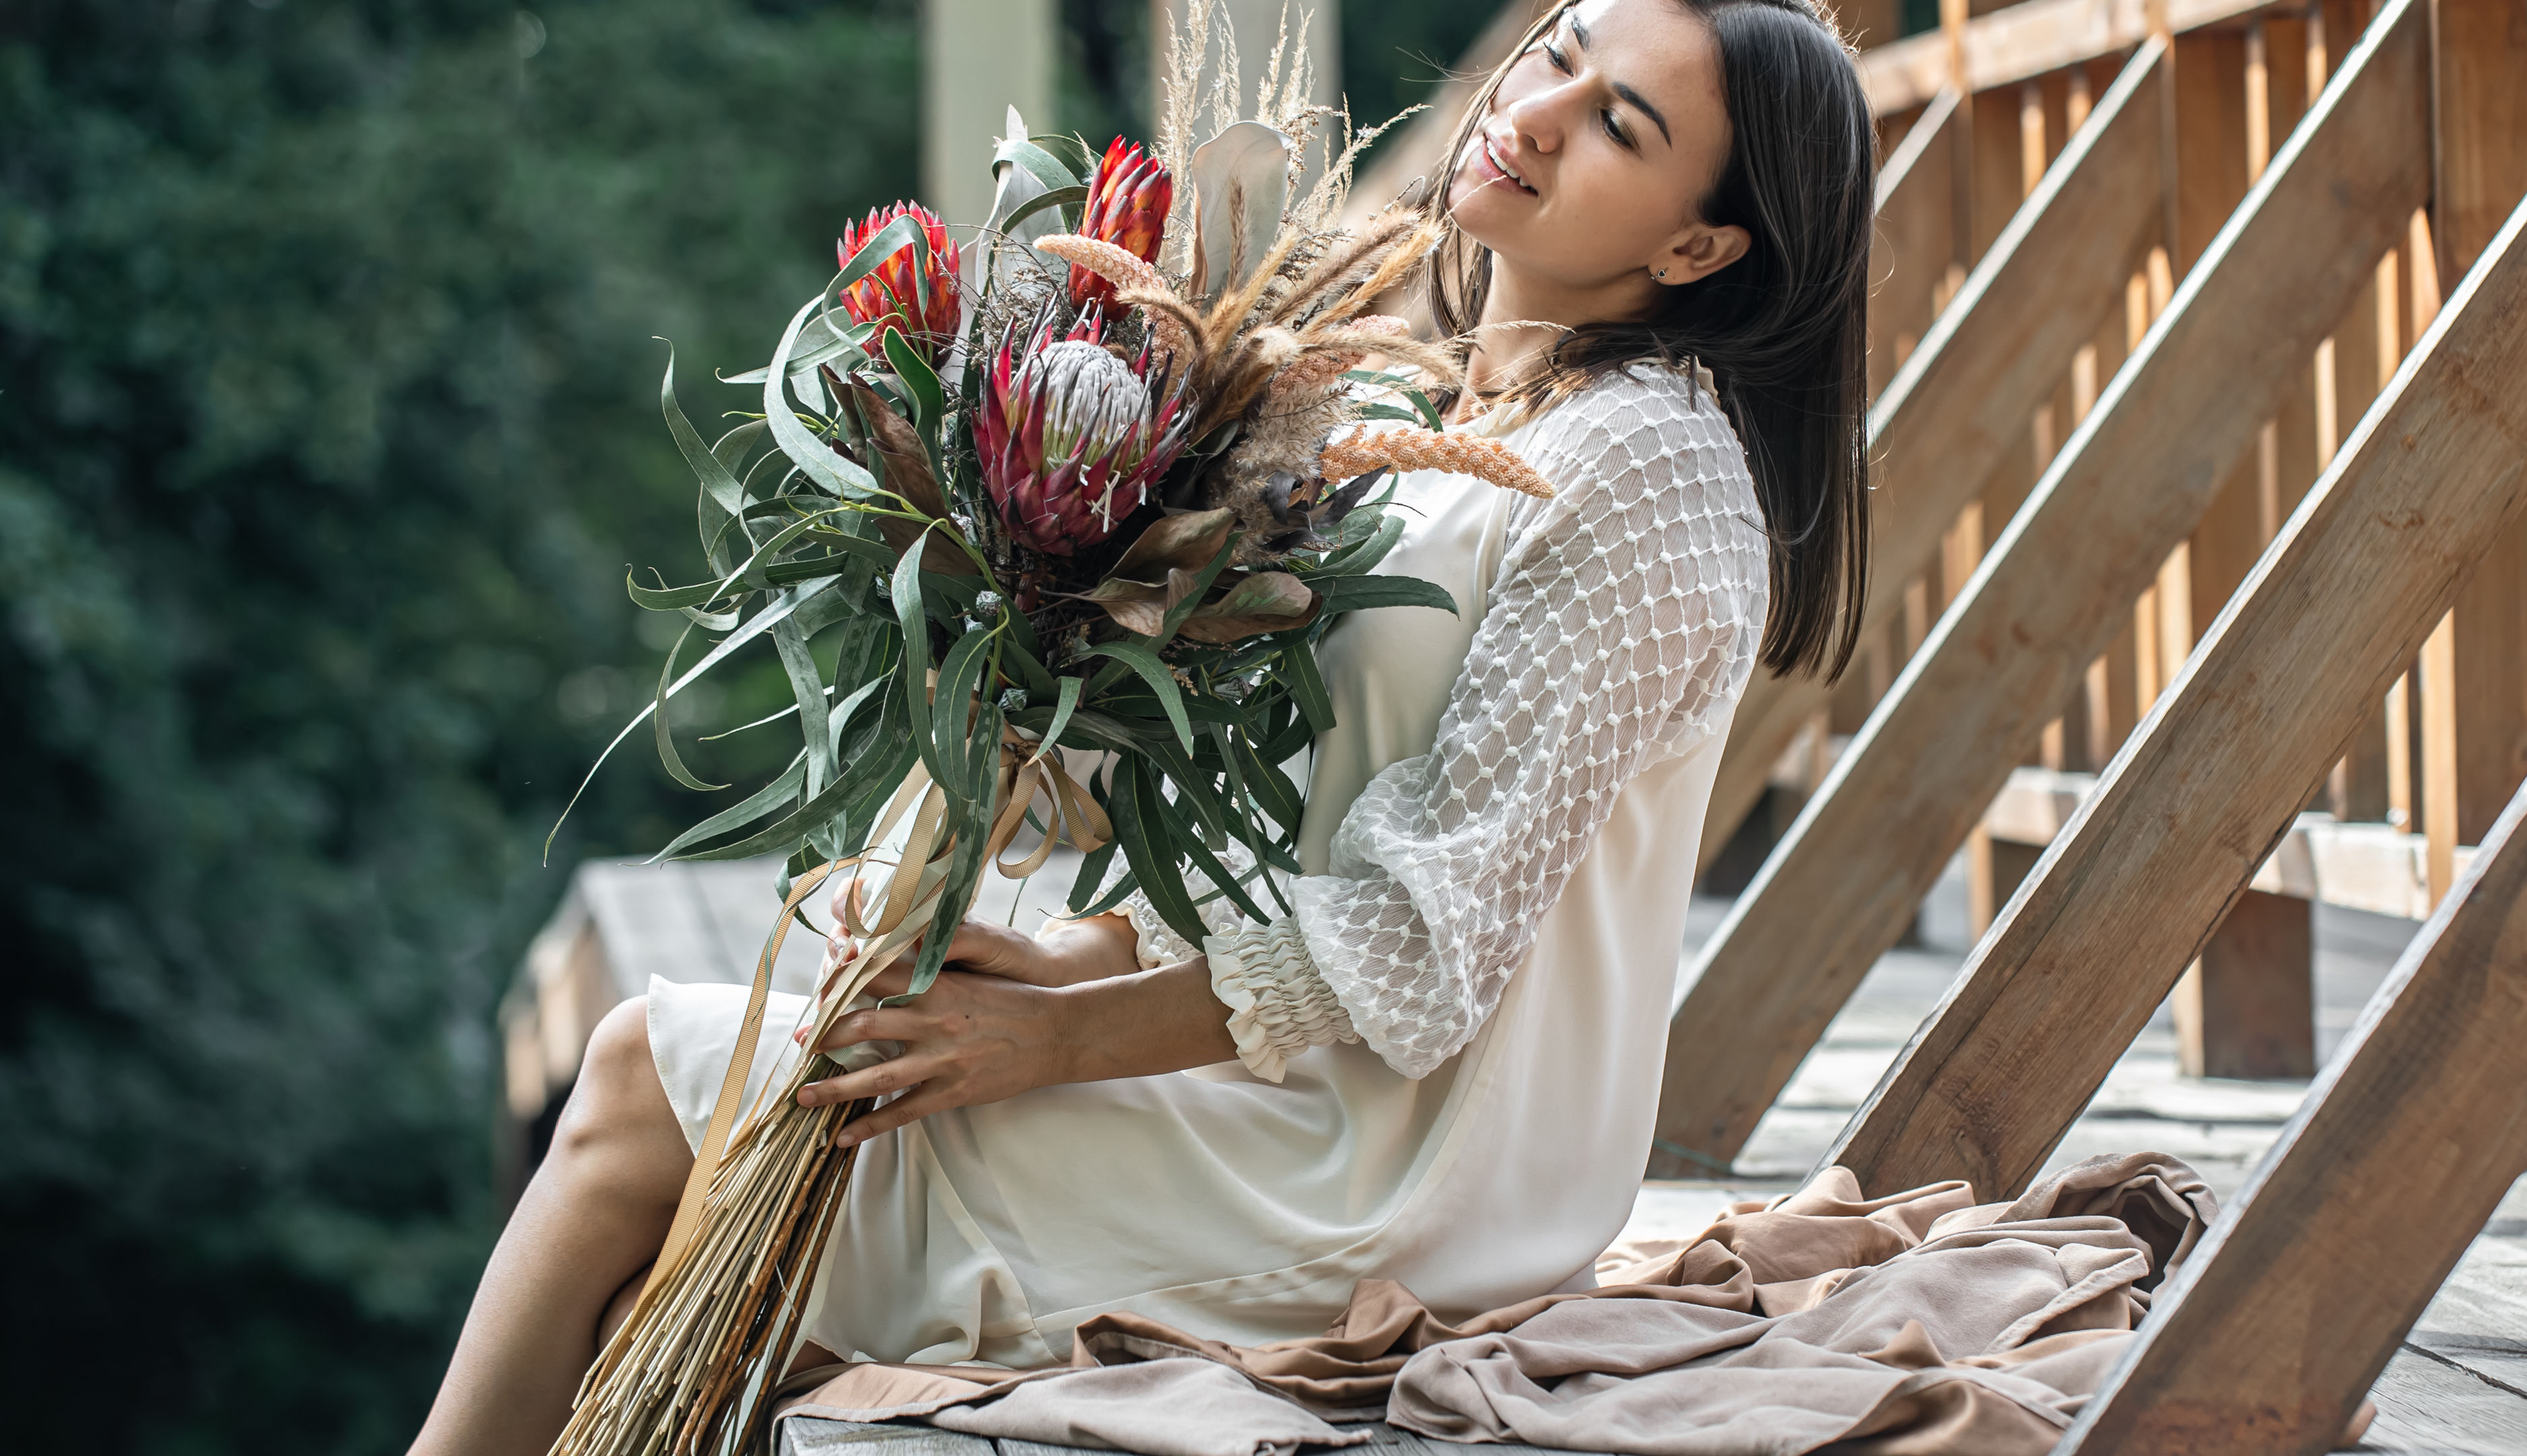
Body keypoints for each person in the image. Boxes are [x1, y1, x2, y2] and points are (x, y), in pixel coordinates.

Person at [411, 1, 1873, 1449]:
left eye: (1623, 123)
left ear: (1699, 248)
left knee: (634, 1090)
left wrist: (1049, 1042)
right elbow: (1302, 822)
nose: (1543, 108)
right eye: (1560, 51)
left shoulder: (1649, 467)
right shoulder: (1432, 400)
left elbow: (1423, 944)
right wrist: (1055, 959)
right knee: (630, 1284)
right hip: (1283, 1089)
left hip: (1400, 1180)